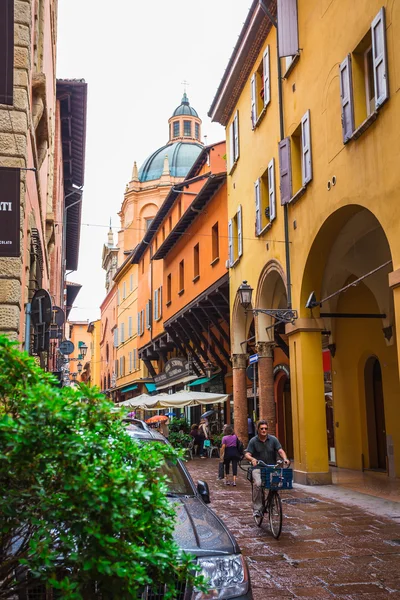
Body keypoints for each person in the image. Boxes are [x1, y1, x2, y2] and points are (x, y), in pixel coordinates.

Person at [244, 419, 290, 516]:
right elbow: (247, 454)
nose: (264, 430)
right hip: (258, 468)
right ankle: (257, 509)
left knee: (276, 483)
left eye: (265, 428)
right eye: (262, 429)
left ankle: (272, 501)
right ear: (258, 429)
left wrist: (285, 458)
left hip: (271, 467)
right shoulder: (253, 441)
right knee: (258, 484)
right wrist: (252, 459)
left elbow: (280, 450)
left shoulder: (273, 439)